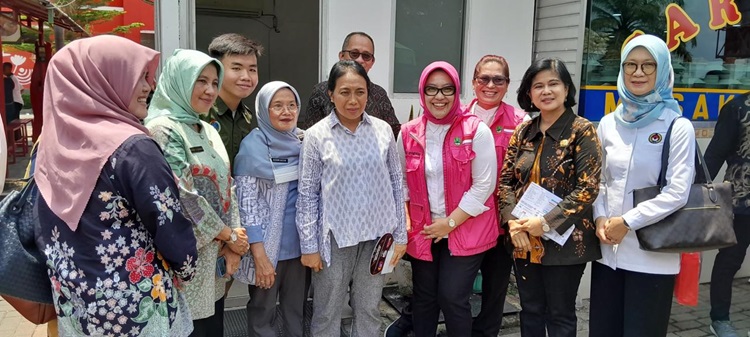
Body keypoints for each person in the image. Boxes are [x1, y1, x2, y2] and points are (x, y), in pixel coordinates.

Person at [33, 35, 199, 336]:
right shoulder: (134, 148)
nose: (149, 87)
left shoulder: (48, 147)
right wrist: (187, 269)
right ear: (103, 79)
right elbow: (169, 225)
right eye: (138, 76)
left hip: (78, 305)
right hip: (137, 310)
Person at [588, 34, 697, 337]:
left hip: (652, 257)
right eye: (631, 65)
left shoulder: (677, 126)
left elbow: (677, 192)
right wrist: (599, 218)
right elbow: (599, 181)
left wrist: (627, 221)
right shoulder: (609, 123)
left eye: (648, 66)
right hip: (608, 254)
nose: (638, 73)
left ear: (662, 70)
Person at [296, 60, 407, 337]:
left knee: (369, 307)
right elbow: (307, 193)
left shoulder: (382, 130)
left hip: (377, 236)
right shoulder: (316, 135)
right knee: (327, 309)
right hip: (335, 237)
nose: (353, 100)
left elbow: (396, 182)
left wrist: (400, 233)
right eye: (345, 92)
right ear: (331, 94)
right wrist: (309, 246)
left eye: (360, 92)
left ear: (368, 94)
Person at [145, 49, 249, 337]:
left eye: (215, 83)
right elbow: (182, 195)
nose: (209, 90)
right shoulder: (164, 130)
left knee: (212, 326)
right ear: (180, 81)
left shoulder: (206, 128)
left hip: (216, 257)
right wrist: (228, 235)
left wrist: (234, 240)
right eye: (200, 81)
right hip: (186, 262)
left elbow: (228, 185)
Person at [498, 58, 602, 337]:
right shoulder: (524, 131)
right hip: (523, 238)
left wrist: (544, 223)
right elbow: (505, 182)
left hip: (565, 241)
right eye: (538, 86)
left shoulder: (582, 130)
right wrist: (512, 224)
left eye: (553, 84)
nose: (546, 91)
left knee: (560, 314)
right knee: (530, 309)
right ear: (529, 93)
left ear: (566, 89)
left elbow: (588, 188)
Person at [396, 61, 498, 337]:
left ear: (456, 92)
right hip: (425, 229)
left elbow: (485, 185)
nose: (439, 96)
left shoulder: (475, 131)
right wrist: (407, 220)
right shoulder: (408, 132)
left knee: (452, 298)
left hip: (466, 227)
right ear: (422, 92)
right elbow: (401, 182)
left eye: (446, 89)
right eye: (432, 89)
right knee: (424, 299)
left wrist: (450, 223)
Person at [233, 81, 308, 337]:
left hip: (300, 247)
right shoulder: (252, 147)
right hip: (265, 248)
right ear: (264, 110)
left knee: (296, 310)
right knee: (262, 311)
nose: (286, 111)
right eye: (277, 106)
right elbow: (247, 205)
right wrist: (260, 256)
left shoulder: (305, 142)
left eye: (291, 105)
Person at [464, 55, 527, 337]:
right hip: (465, 221)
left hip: (502, 222)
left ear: (507, 85)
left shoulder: (521, 122)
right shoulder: (459, 117)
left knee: (495, 289)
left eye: (498, 80)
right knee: (456, 289)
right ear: (474, 82)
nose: (490, 85)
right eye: (484, 79)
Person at [705, 90, 750, 337]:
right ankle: (720, 318)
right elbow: (715, 153)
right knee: (730, 261)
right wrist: (694, 194)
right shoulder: (737, 108)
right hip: (741, 200)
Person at [301, 31, 400, 136]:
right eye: (354, 54)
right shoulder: (321, 91)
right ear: (342, 56)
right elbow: (309, 134)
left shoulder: (379, 94)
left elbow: (394, 134)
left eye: (366, 56)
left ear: (372, 62)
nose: (360, 60)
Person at [204, 33, 264, 171]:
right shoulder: (202, 112)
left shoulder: (247, 115)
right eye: (236, 68)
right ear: (217, 70)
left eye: (252, 70)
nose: (246, 77)